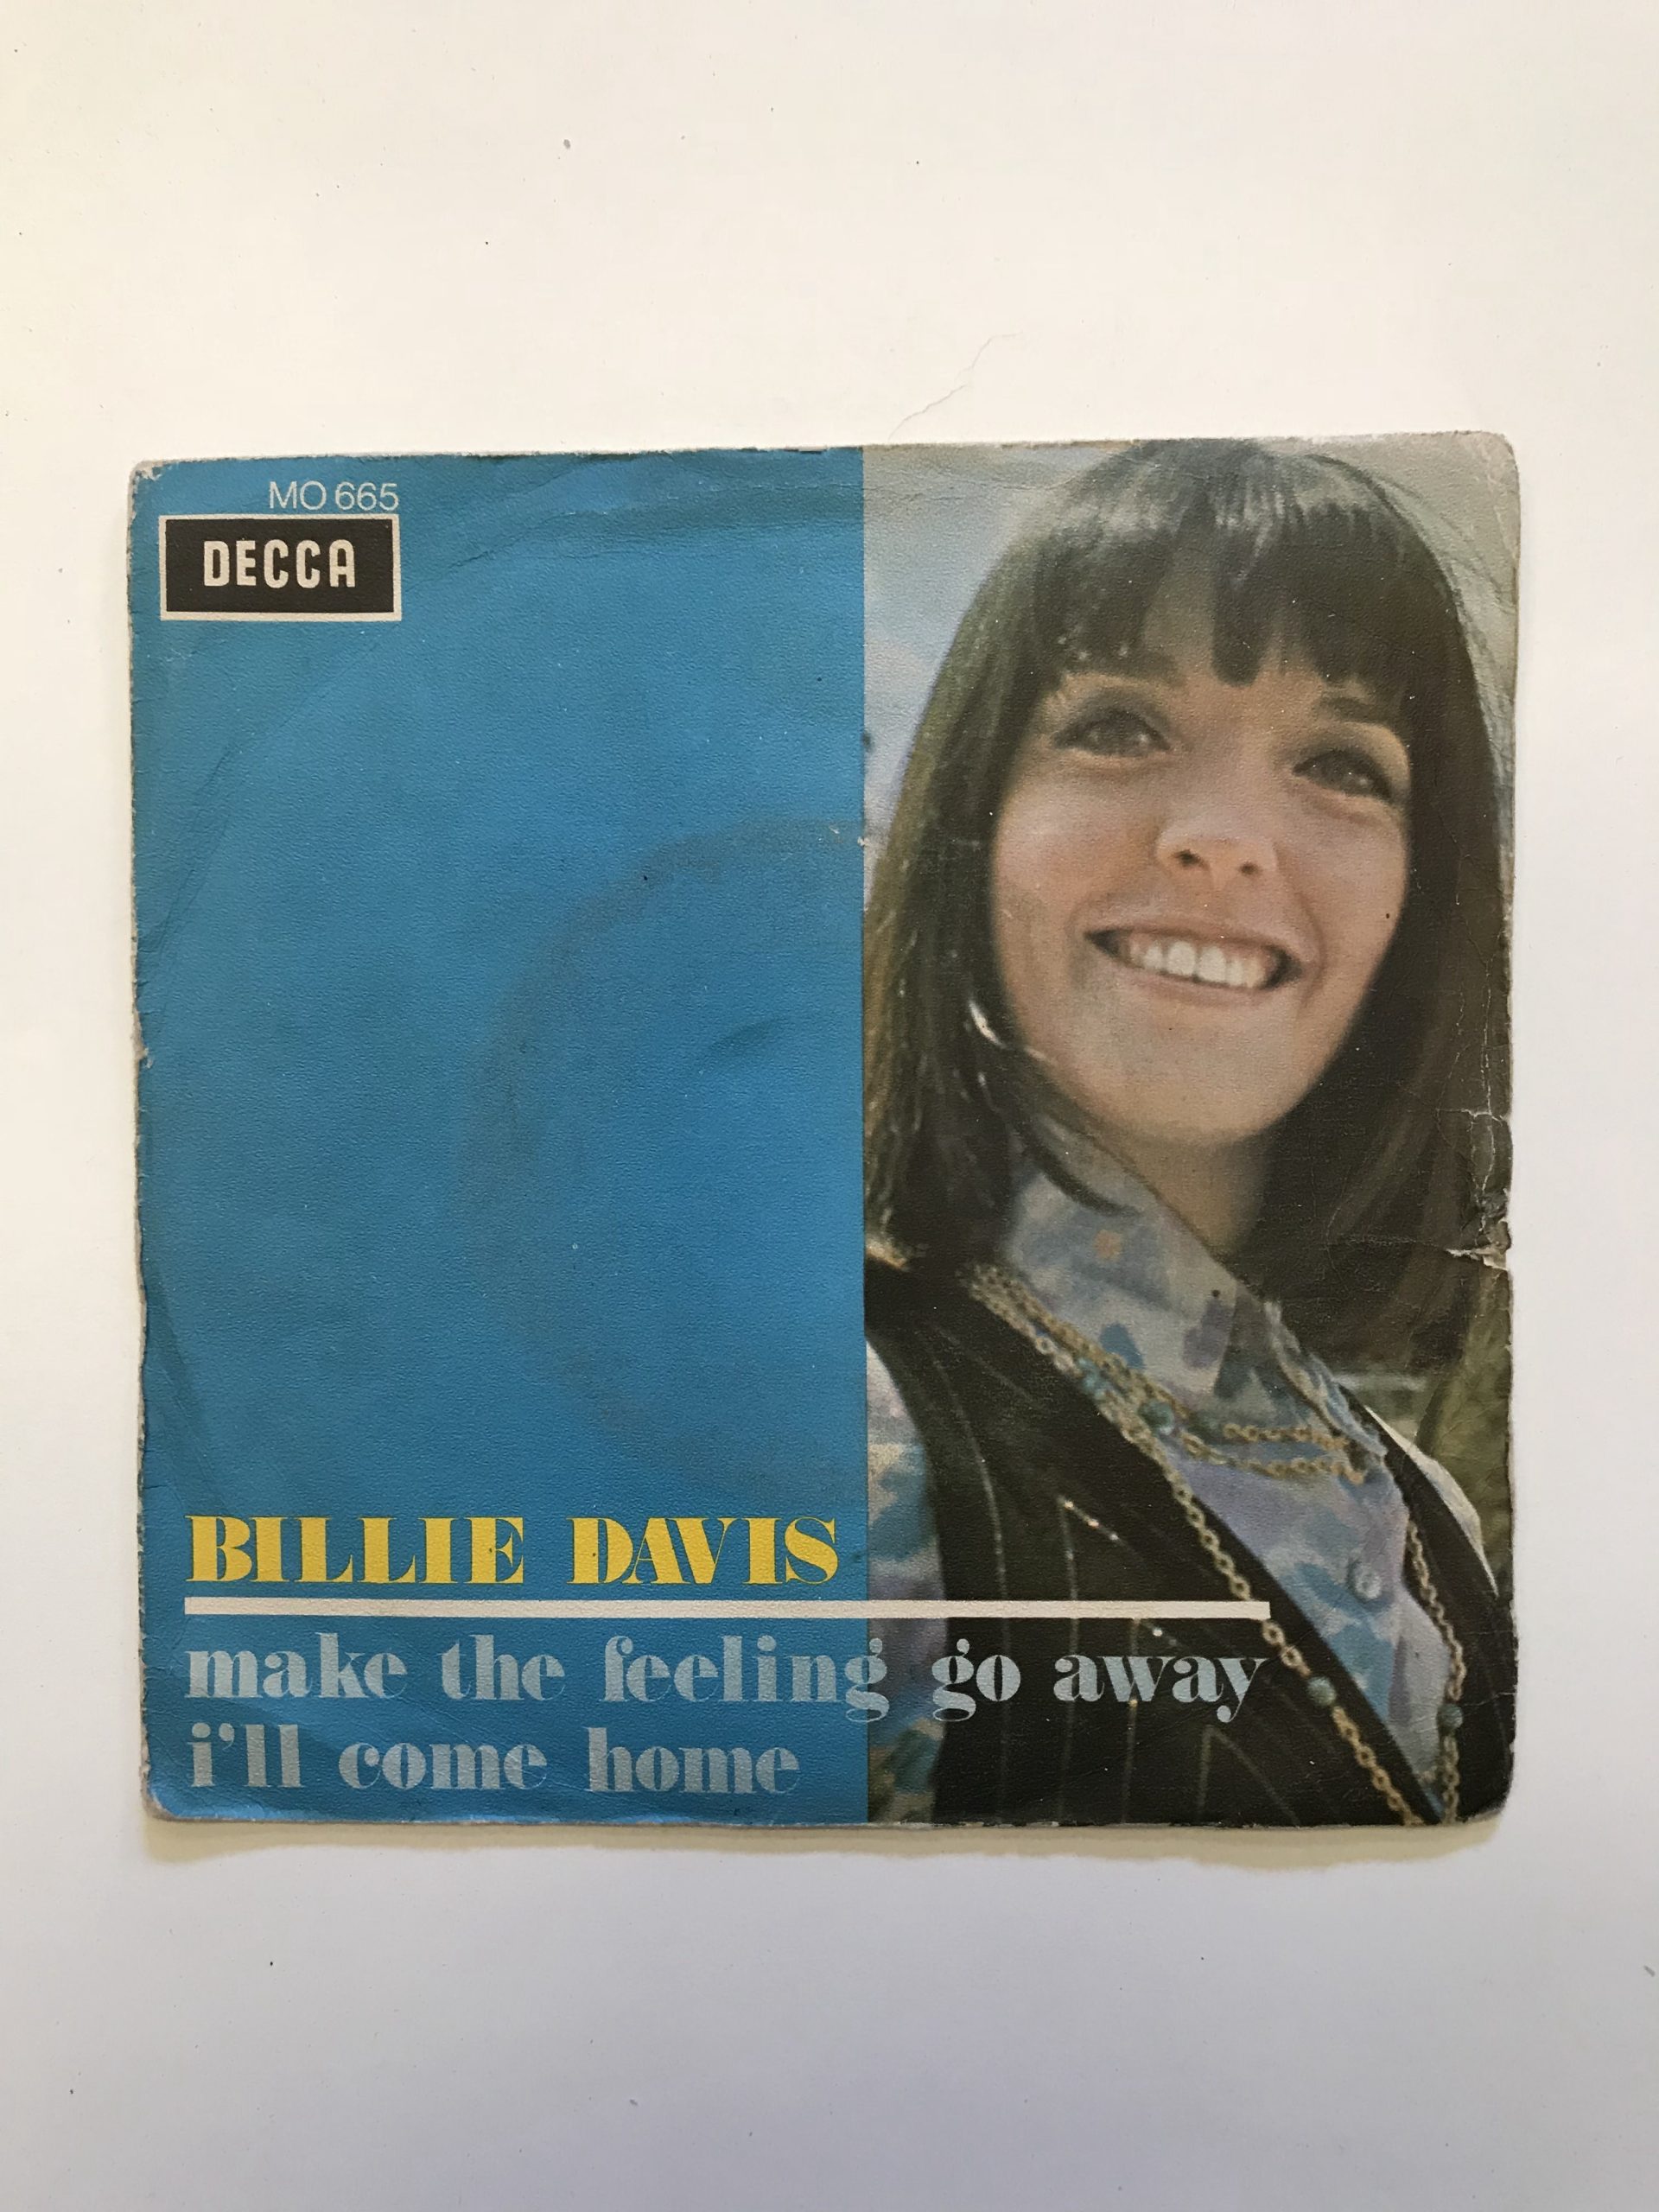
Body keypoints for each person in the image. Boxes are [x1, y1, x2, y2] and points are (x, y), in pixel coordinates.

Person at [863, 440, 1515, 1827]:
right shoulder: (839, 1435)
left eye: (1341, 763)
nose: (1222, 839)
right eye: (1115, 726)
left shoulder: (1430, 1517)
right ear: (975, 828)